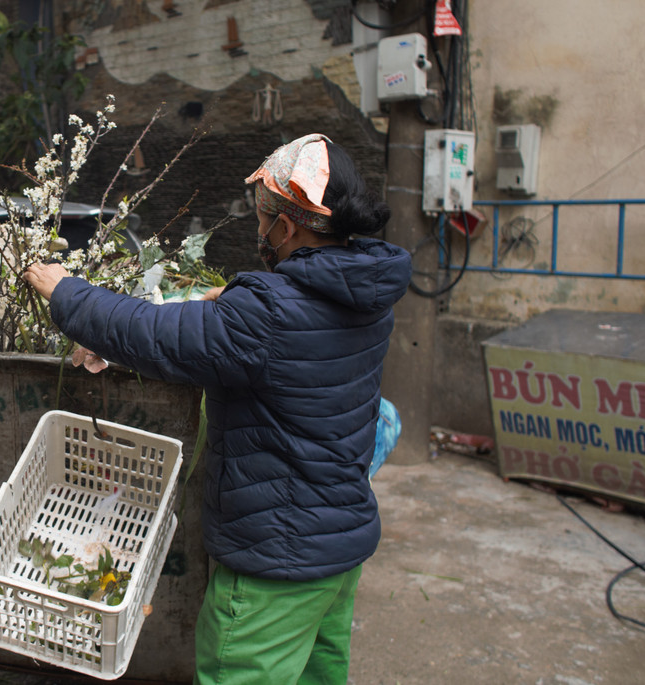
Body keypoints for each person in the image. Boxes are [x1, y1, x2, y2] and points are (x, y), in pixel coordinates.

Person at [22, 134, 412, 685]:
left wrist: (67, 292)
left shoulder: (266, 314)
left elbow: (151, 333)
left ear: (289, 226)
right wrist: (235, 304)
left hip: (273, 565)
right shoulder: (367, 294)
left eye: (263, 217)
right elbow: (295, 333)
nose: (259, 231)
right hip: (336, 555)